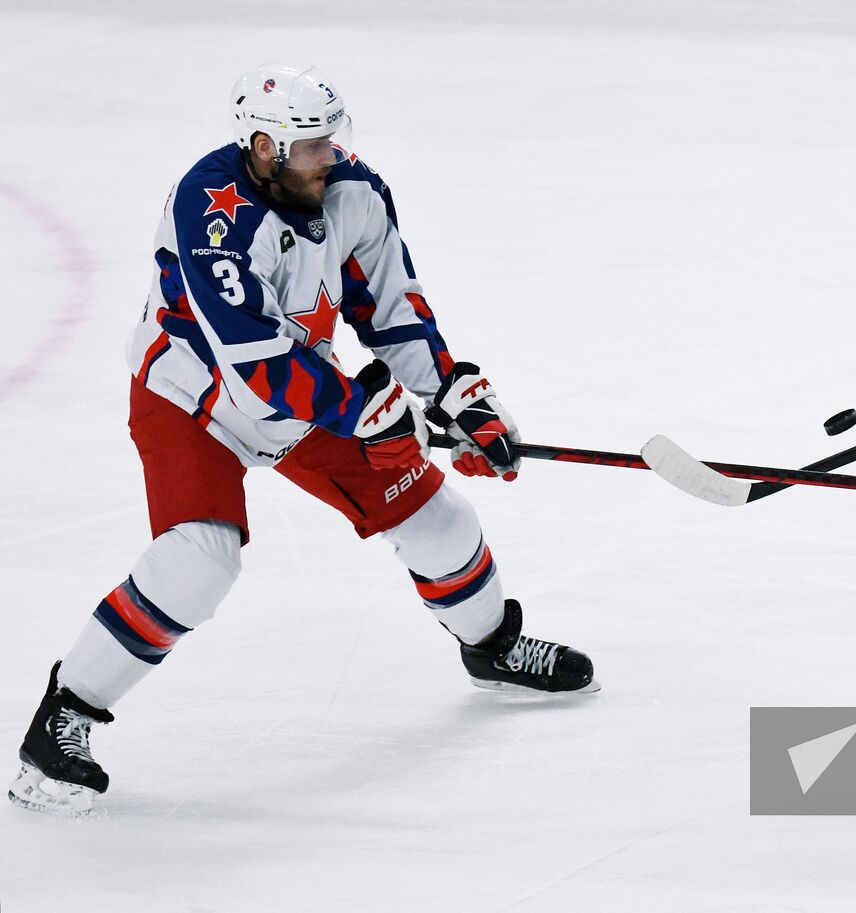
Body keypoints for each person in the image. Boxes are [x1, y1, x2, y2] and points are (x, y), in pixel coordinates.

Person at [10, 63, 598, 816]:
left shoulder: (353, 191)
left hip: (307, 396)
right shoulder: (210, 209)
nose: (332, 156)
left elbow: (392, 305)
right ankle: (62, 719)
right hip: (194, 398)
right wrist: (365, 414)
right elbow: (253, 362)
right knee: (199, 559)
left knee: (439, 522)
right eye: (313, 145)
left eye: (332, 139)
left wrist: (448, 392)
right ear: (263, 146)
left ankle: (492, 647)